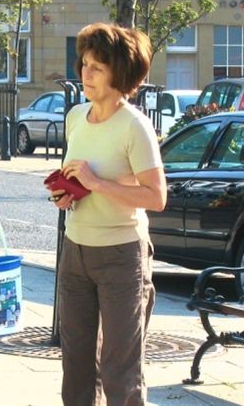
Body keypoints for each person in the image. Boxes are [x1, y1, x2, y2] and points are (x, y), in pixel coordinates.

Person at [47, 22, 167, 406]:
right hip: (75, 251)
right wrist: (66, 195)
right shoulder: (76, 117)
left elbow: (156, 197)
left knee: (120, 371)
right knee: (76, 366)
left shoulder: (136, 127)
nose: (86, 73)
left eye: (97, 66)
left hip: (121, 256)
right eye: (84, 64)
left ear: (121, 73)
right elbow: (76, 180)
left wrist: (96, 183)